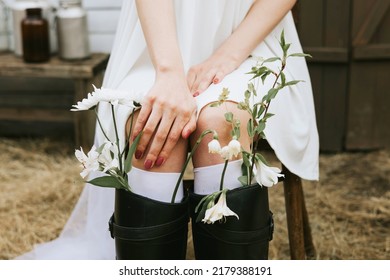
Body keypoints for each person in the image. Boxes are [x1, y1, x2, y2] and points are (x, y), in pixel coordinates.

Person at [17, 0, 319, 260]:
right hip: (154, 45)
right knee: (155, 129)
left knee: (222, 120)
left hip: (249, 41)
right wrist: (169, 73)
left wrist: (227, 56)